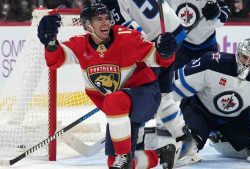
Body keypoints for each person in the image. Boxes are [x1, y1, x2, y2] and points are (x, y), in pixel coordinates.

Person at [37, 2, 178, 169]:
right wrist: (51, 44)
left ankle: (123, 156)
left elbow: (160, 59)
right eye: (99, 19)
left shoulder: (128, 37)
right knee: (114, 164)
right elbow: (55, 61)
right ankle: (161, 154)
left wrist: (166, 51)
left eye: (107, 18)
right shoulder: (80, 45)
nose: (106, 23)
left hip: (145, 96)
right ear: (87, 25)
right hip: (118, 111)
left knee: (114, 101)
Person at [97, 0, 200, 164]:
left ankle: (136, 145)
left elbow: (130, 30)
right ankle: (186, 140)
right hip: (172, 34)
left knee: (137, 94)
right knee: (164, 96)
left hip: (154, 42)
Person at [172, 38, 250, 166]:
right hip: (199, 111)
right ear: (237, 53)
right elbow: (178, 85)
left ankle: (222, 137)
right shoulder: (212, 62)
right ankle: (205, 135)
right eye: (244, 57)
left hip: (233, 120)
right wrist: (163, 110)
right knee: (187, 146)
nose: (246, 63)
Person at [165, 0, 230, 70]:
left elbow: (224, 11)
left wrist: (216, 14)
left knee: (212, 77)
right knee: (174, 78)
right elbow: (161, 13)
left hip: (207, 46)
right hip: (180, 47)